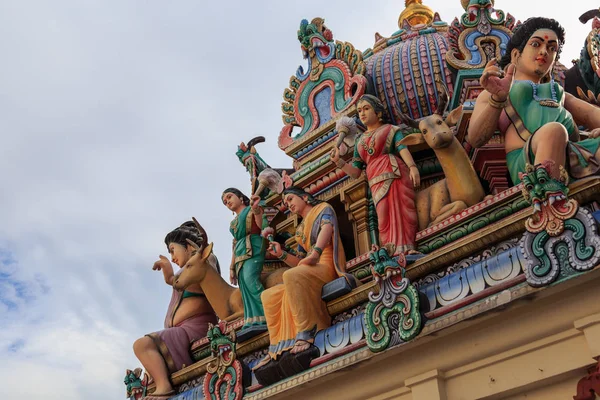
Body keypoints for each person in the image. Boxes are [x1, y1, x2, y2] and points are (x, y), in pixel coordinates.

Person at [467, 17, 600, 185]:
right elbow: (475, 139)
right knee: (553, 131)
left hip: (573, 153)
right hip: (529, 164)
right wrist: (497, 99)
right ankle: (549, 198)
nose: (544, 51)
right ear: (516, 55)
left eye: (552, 48)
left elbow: (591, 113)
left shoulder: (557, 92)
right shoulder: (497, 91)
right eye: (536, 44)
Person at [253, 187, 356, 370]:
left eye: (291, 199)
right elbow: (300, 262)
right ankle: (277, 346)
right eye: (286, 203)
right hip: (309, 268)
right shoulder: (300, 229)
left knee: (290, 276)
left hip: (325, 266)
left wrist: (315, 253)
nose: (289, 204)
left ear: (305, 198)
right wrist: (281, 255)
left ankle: (306, 332)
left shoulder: (323, 209)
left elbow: (327, 228)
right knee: (268, 295)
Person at [133, 222, 218, 398]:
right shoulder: (185, 272)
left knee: (142, 344)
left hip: (196, 328)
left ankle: (164, 387)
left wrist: (173, 276)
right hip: (180, 330)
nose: (172, 257)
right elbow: (179, 283)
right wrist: (170, 276)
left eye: (173, 250)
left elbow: (202, 283)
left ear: (189, 247)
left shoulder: (204, 261)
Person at [330, 94, 420, 254]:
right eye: (359, 111)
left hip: (394, 173)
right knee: (383, 217)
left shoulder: (391, 130)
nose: (362, 113)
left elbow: (402, 148)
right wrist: (339, 162)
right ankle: (391, 251)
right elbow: (356, 172)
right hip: (374, 181)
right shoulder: (359, 141)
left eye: (366, 108)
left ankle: (407, 248)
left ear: (378, 112)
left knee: (400, 209)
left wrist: (412, 166)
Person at [222, 188, 268, 329]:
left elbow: (261, 226)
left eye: (229, 197)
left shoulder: (251, 209)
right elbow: (235, 244)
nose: (228, 201)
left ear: (240, 197)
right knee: (244, 286)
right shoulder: (233, 224)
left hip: (254, 245)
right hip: (240, 252)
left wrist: (256, 210)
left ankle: (269, 311)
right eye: (225, 202)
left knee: (250, 279)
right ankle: (254, 318)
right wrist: (231, 267)